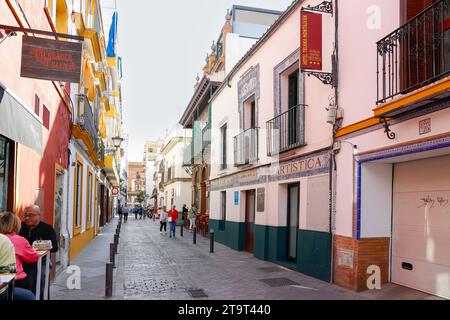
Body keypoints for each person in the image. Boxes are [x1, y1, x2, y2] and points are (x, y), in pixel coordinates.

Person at [19, 205, 58, 298]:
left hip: (42, 260)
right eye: (25, 215)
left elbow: (55, 247)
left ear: (38, 215)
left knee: (41, 276)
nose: (27, 218)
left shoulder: (47, 228)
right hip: (23, 259)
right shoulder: (20, 227)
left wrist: (39, 246)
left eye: (31, 215)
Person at [0, 212, 40, 291]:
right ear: (16, 225)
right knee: (34, 266)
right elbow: (34, 258)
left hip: (5, 280)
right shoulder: (19, 240)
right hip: (14, 281)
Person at [0, 232, 35, 300]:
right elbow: (34, 257)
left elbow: (8, 274)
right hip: (16, 280)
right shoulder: (5, 241)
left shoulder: (4, 241)